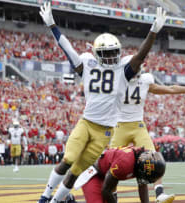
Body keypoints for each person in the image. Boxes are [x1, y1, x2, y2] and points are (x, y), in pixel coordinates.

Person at [38, 3, 166, 202]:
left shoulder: (123, 71)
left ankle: (55, 201)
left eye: (114, 52)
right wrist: (52, 25)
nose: (110, 57)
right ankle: (45, 197)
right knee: (68, 160)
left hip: (105, 131)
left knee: (76, 171)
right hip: (87, 123)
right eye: (106, 53)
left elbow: (141, 56)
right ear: (97, 53)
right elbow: (68, 49)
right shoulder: (88, 64)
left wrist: (153, 32)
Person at [109, 69, 185, 202]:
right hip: (120, 125)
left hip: (137, 126)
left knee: (153, 158)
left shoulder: (144, 81)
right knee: (111, 164)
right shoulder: (117, 79)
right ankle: (112, 198)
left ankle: (159, 193)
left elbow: (171, 89)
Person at [74, 147, 166, 203]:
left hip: (106, 175)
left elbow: (142, 186)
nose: (146, 180)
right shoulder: (125, 164)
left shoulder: (142, 159)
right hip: (94, 174)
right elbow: (106, 190)